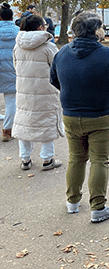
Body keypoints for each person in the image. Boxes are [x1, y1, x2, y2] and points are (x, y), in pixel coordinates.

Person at [50, 12, 109, 222]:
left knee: (76, 158)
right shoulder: (108, 55)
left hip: (70, 115)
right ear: (96, 31)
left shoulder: (62, 53)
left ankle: (72, 202)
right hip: (100, 116)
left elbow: (54, 80)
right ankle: (98, 207)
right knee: (99, 160)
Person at [13, 14, 63, 171]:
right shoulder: (49, 47)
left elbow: (16, 67)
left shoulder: (17, 46)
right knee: (46, 123)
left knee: (25, 122)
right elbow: (58, 69)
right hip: (46, 91)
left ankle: (25, 159)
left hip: (24, 90)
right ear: (40, 27)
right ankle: (47, 159)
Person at [0, 3, 19, 142]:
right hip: (12, 69)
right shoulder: (18, 32)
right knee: (11, 101)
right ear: (12, 17)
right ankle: (7, 130)